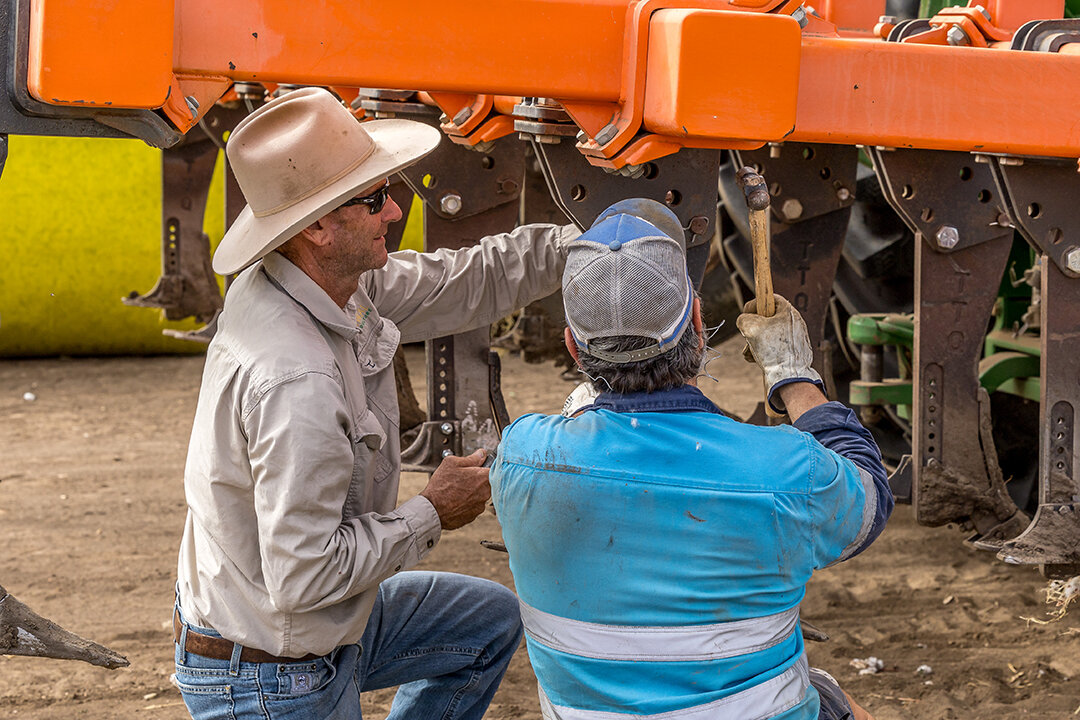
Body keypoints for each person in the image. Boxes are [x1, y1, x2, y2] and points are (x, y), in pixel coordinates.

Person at [173, 87, 578, 719]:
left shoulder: (320, 279)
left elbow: (466, 280)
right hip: (272, 671)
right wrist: (432, 511)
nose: (394, 210)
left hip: (295, 624)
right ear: (316, 226)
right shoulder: (295, 380)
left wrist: (583, 241)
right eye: (373, 199)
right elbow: (304, 577)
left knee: (486, 622)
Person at [490, 199, 892, 720]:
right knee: (827, 693)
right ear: (700, 323)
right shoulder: (787, 469)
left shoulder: (523, 456)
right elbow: (868, 500)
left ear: (572, 345)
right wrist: (792, 375)